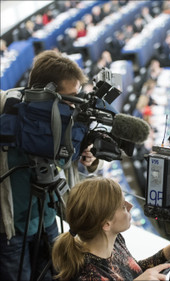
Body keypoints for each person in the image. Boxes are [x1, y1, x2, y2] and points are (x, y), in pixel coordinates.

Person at [0, 50, 100, 280]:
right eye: (69, 98)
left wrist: (90, 160)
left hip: (48, 221)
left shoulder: (67, 125)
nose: (73, 106)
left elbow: (73, 164)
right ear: (45, 94)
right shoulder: (8, 106)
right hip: (11, 230)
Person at [52, 177, 170, 280]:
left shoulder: (114, 241)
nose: (130, 206)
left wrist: (168, 252)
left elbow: (132, 271)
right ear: (106, 224)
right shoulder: (89, 275)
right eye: (123, 206)